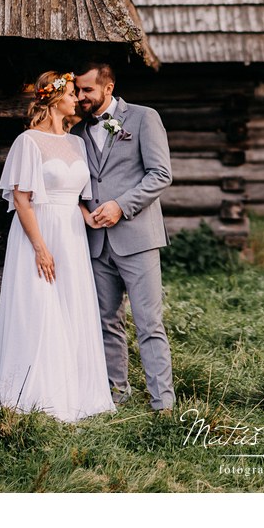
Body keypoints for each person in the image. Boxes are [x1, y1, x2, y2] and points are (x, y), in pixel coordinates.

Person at [0, 71, 115, 424]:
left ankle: (77, 392)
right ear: (53, 98)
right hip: (39, 231)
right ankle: (40, 393)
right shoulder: (28, 142)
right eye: (72, 93)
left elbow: (75, 195)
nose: (77, 99)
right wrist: (40, 248)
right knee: (41, 307)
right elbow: (22, 199)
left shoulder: (76, 142)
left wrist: (88, 218)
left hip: (72, 233)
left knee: (72, 305)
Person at [70, 62, 175, 412]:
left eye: (87, 90)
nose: (80, 96)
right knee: (106, 322)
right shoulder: (77, 131)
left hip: (137, 238)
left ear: (108, 87)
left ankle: (162, 401)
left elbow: (160, 174)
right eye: (77, 90)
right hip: (97, 243)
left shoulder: (144, 118)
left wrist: (120, 205)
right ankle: (116, 393)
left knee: (149, 322)